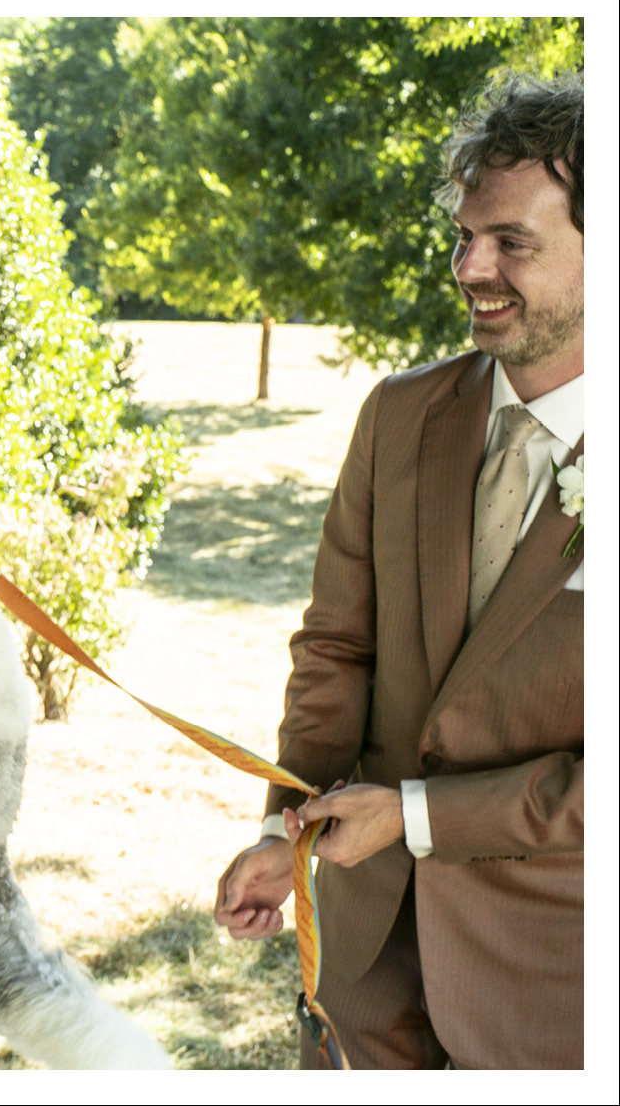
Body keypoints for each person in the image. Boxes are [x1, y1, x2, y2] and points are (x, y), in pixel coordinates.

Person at [213, 72, 583, 1069]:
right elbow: (336, 649)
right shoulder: (400, 414)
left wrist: (415, 817)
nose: (471, 268)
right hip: (366, 970)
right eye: (464, 236)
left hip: (560, 985)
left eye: (511, 242)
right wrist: (283, 833)